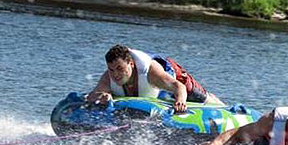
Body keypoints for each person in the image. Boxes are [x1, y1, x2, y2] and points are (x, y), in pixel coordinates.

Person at [87, 44, 223, 112]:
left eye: (119, 69)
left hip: (178, 77)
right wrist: (101, 97)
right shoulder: (108, 77)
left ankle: (224, 106)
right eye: (111, 69)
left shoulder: (150, 72)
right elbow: (93, 95)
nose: (115, 74)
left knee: (204, 99)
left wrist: (181, 101)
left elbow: (179, 87)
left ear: (131, 64)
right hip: (154, 92)